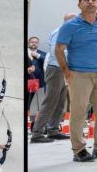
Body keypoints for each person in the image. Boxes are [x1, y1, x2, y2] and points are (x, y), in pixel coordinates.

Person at [54, 0, 97, 162]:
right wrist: (66, 71)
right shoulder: (70, 26)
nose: (90, 2)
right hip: (79, 74)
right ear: (79, 4)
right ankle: (79, 149)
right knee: (79, 112)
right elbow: (59, 49)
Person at [30, 13, 75, 143]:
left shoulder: (67, 33)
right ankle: (37, 133)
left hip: (62, 69)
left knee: (61, 102)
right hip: (55, 68)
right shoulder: (59, 32)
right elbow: (57, 51)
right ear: (69, 21)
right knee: (50, 102)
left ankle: (53, 130)